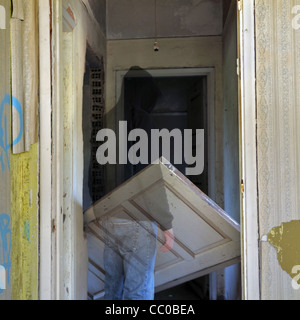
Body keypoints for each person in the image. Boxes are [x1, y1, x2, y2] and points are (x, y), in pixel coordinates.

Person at [102, 67, 174, 300]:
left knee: (113, 290)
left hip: (110, 218)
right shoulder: (142, 121)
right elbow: (149, 175)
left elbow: (93, 170)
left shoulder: (107, 121)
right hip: (138, 220)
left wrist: (93, 211)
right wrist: (166, 223)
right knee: (137, 292)